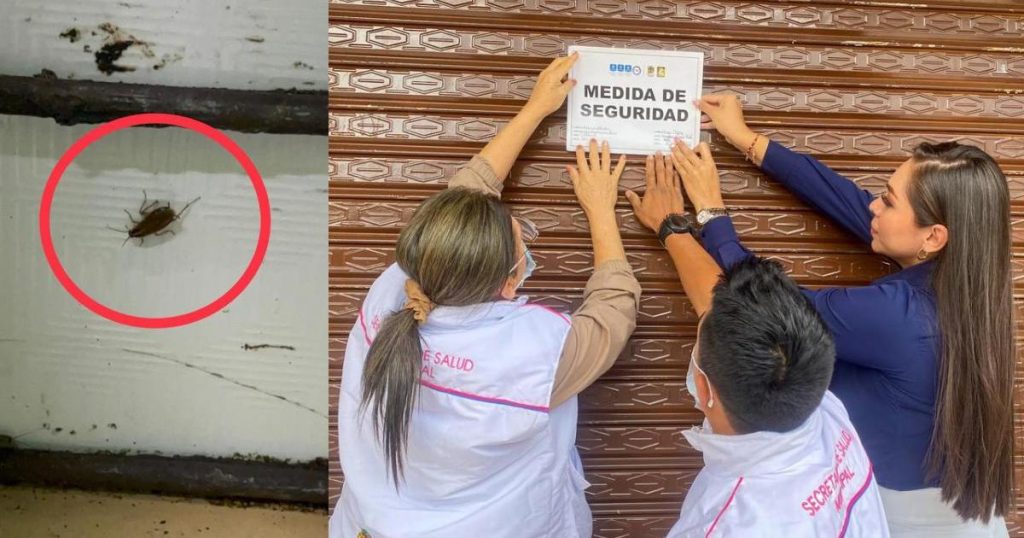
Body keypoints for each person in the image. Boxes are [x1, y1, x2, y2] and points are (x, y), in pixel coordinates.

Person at [672, 93, 1014, 536]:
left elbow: (764, 303)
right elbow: (849, 202)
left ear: (933, 236)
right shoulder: (972, 282)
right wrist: (748, 141)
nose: (874, 205)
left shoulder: (898, 316)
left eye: (889, 202)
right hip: (969, 518)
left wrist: (710, 211)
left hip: (904, 522)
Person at [329, 54, 641, 538]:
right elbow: (613, 310)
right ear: (509, 284)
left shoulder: (393, 291)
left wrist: (535, 108)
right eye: (524, 244)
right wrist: (601, 209)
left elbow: (462, 201)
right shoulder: (536, 355)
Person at [626, 154, 888, 536]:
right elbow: (720, 307)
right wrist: (674, 230)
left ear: (704, 390)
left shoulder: (726, 525)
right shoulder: (821, 412)